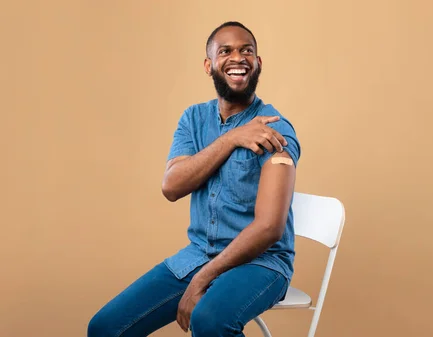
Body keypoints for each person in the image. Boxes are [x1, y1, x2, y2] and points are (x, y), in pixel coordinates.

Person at [88, 21, 301, 337]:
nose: (237, 58)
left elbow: (269, 228)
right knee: (105, 328)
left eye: (247, 51)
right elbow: (172, 186)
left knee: (210, 320)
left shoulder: (275, 129)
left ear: (258, 63)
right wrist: (231, 139)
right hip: (198, 255)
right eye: (225, 51)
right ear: (209, 64)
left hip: (261, 264)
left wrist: (203, 279)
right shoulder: (194, 119)